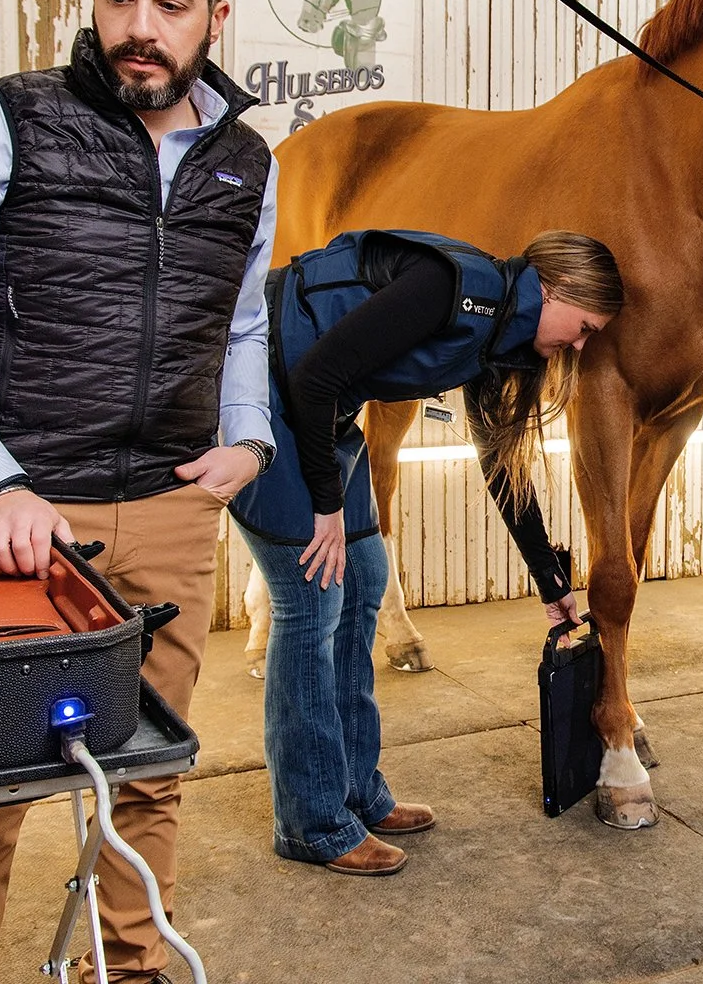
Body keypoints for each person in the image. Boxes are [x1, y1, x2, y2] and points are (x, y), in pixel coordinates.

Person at [0, 0, 279, 984]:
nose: (139, 27)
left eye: (169, 2)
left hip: (170, 506)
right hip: (28, 515)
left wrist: (245, 441)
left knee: (149, 767)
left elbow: (243, 320)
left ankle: (132, 964)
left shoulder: (246, 159)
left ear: (213, 13)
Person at [229, 228, 623, 875]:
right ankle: (311, 821)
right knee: (311, 602)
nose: (579, 346)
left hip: (322, 411)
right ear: (553, 289)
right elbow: (315, 374)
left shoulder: (501, 339)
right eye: (583, 327)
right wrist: (326, 505)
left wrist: (551, 583)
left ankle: (355, 789)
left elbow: (504, 469)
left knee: (364, 578)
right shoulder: (450, 288)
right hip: (267, 391)